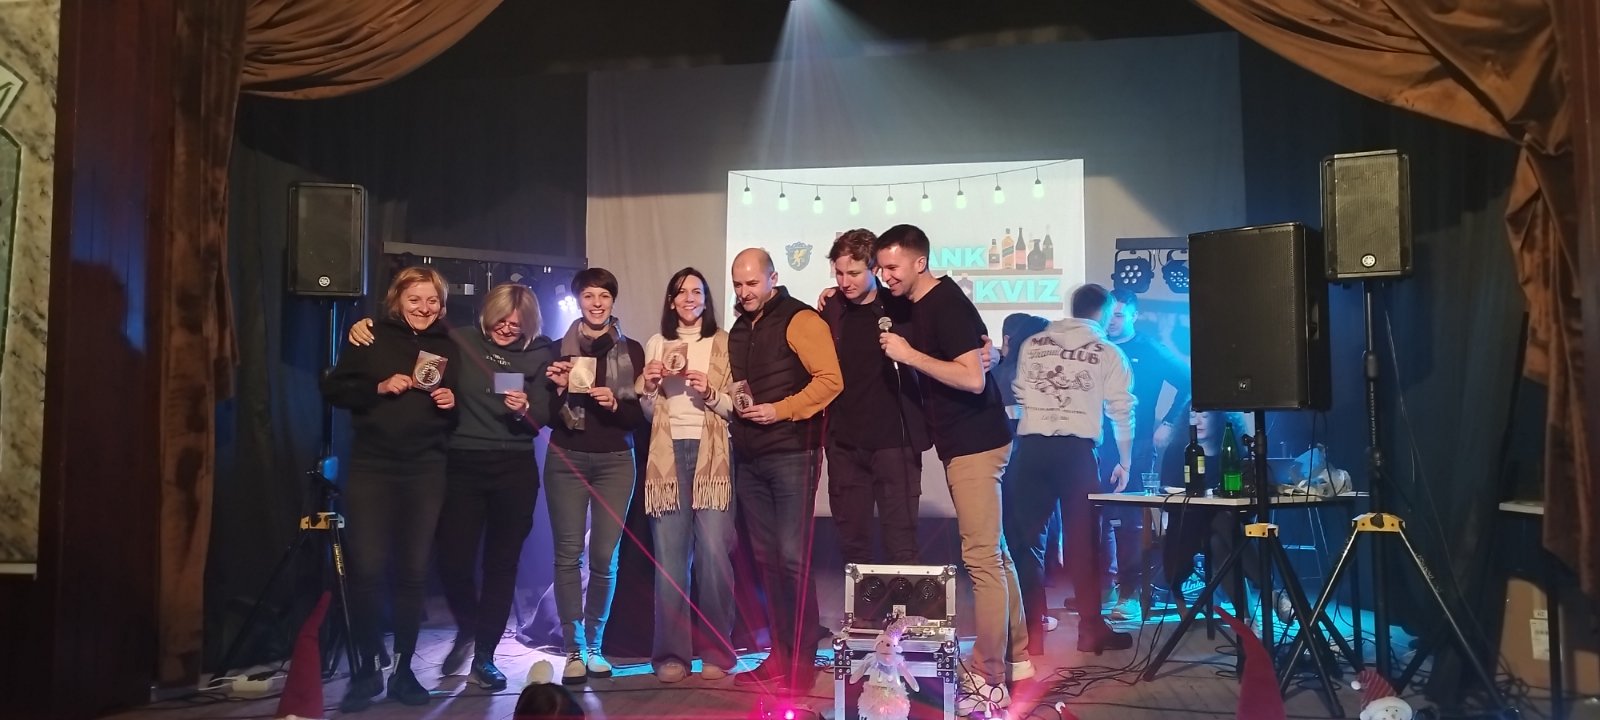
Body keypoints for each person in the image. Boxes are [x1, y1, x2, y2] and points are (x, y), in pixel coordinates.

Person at [345, 283, 556, 691]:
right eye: (500, 320)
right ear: (486, 315)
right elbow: (408, 339)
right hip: (461, 464)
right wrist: (364, 325)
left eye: (516, 324)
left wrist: (526, 409)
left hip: (514, 468)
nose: (506, 328)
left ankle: (485, 657)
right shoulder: (458, 341)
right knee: (453, 561)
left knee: (501, 566)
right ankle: (470, 625)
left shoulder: (540, 354)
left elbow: (543, 416)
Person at [871, 225, 1028, 713]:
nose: (884, 276)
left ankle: (988, 676)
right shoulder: (914, 300)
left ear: (919, 263)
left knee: (980, 558)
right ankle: (1019, 657)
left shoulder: (946, 304)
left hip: (977, 442)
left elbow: (973, 378)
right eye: (880, 267)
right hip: (967, 442)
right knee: (996, 553)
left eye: (892, 267)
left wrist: (909, 355)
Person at [320, 267, 459, 712]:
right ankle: (366, 669)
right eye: (415, 299)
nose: (424, 308)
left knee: (413, 573)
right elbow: (333, 388)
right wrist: (377, 386)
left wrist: (451, 401)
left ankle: (402, 671)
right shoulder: (370, 336)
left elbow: (458, 411)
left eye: (432, 300)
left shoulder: (448, 345)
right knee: (366, 570)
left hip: (426, 469)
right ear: (397, 299)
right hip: (373, 467)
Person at [726, 248, 843, 693]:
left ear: (773, 278)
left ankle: (802, 661)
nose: (744, 292)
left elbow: (831, 380)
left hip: (794, 452)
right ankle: (779, 654)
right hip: (750, 456)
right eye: (738, 284)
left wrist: (781, 410)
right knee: (767, 561)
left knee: (793, 561)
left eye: (752, 283)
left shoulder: (801, 319)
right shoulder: (740, 327)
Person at [1004, 283, 1135, 658]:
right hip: (1077, 453)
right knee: (1084, 542)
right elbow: (1122, 409)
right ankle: (1091, 632)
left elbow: (1018, 392)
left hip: (1032, 449)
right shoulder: (1108, 352)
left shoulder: (1034, 343)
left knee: (1027, 542)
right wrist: (1125, 460)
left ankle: (1031, 635)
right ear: (1105, 314)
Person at [543, 268, 647, 684]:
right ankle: (574, 649)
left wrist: (614, 404)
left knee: (605, 557)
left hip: (616, 461)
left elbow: (638, 417)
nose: (597, 303)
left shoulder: (632, 350)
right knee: (568, 555)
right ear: (578, 301)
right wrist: (557, 390)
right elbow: (547, 417)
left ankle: (596, 646)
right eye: (589, 295)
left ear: (613, 301)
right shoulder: (557, 349)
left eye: (604, 295)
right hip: (566, 459)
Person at [637, 267, 739, 683]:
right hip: (667, 455)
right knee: (670, 562)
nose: (689, 298)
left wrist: (711, 392)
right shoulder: (657, 343)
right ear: (671, 300)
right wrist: (649, 387)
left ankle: (717, 650)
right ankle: (671, 655)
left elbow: (736, 407)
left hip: (713, 454)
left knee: (714, 556)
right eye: (681, 292)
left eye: (697, 291)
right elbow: (648, 413)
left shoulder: (724, 342)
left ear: (706, 299)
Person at [816, 229, 930, 566]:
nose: (844, 282)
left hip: (895, 442)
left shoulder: (900, 306)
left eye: (853, 273)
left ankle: (903, 602)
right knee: (853, 543)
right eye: (839, 273)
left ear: (874, 269)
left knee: (901, 542)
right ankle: (863, 603)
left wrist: (988, 353)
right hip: (845, 444)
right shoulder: (831, 309)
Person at [1098, 288, 1192, 622]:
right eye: (1109, 314)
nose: (1112, 321)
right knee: (1096, 518)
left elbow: (1188, 380)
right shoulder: (1096, 345)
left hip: (1136, 445)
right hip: (1095, 442)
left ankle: (1130, 593)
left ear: (1134, 316)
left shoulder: (1149, 348)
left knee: (1130, 521)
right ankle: (1105, 587)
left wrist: (1168, 422)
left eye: (1119, 315)